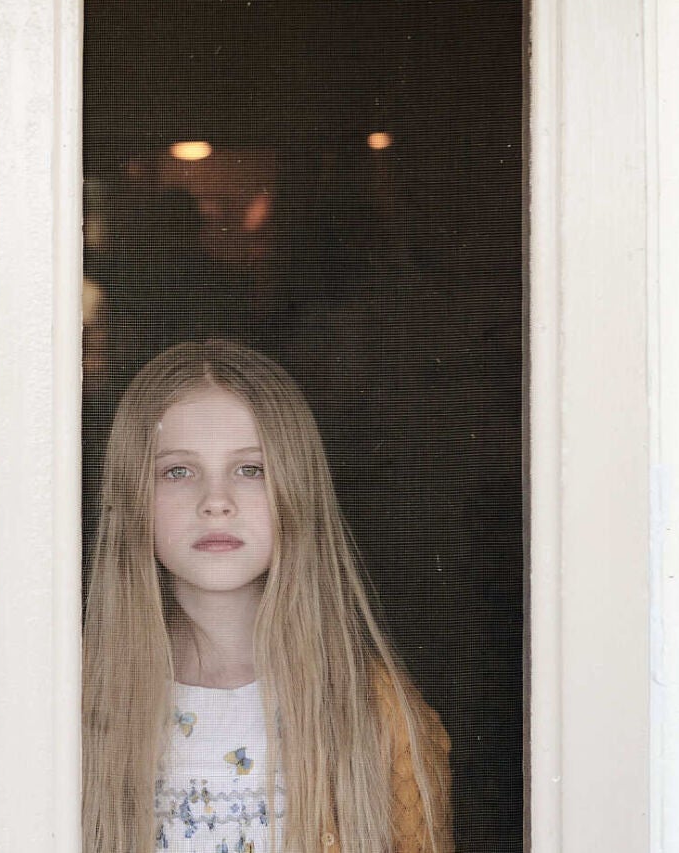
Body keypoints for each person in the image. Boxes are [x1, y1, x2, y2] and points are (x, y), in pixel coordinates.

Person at [83, 340, 452, 853]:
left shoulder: (373, 709)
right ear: (132, 498)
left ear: (296, 489)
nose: (216, 501)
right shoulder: (81, 699)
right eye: (178, 471)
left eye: (250, 469)